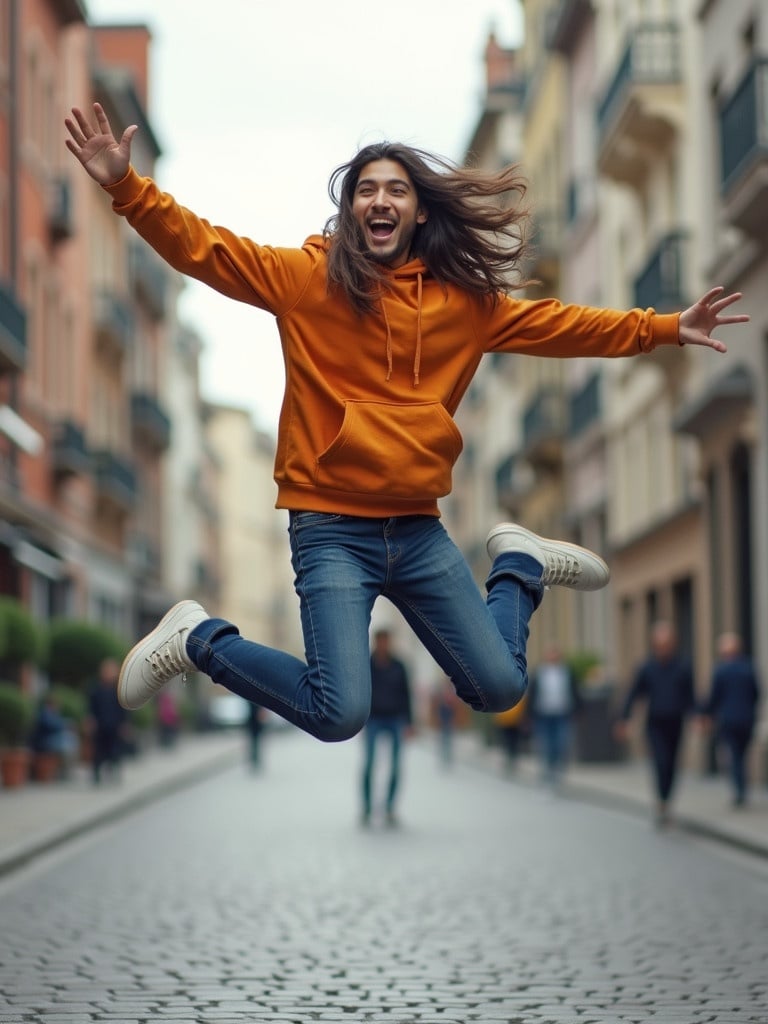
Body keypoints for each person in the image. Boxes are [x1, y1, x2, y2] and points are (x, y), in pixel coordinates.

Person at [64, 103, 748, 753]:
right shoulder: (306, 280)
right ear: (351, 209)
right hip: (330, 527)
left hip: (417, 529)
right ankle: (198, 640)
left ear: (418, 211)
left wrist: (664, 327)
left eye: (396, 189)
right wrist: (126, 185)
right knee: (338, 713)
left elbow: (560, 325)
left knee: (501, 684)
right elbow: (202, 249)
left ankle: (518, 566)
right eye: (366, 190)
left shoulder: (464, 305)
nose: (380, 200)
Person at [615, 621, 696, 826]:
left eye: (667, 643)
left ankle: (666, 800)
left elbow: (690, 696)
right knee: (660, 761)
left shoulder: (683, 667)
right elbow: (634, 694)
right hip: (655, 723)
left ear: (673, 644)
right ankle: (662, 803)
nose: (663, 648)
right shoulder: (647, 667)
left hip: (676, 722)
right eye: (660, 644)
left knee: (671, 764)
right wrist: (624, 720)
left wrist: (698, 716)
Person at [700, 632, 760, 807]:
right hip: (747, 719)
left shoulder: (721, 671)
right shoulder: (748, 668)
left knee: (734, 756)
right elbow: (756, 693)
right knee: (741, 755)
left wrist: (706, 714)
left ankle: (739, 790)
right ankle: (742, 788)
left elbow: (713, 697)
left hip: (728, 720)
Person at [361, 629, 413, 825]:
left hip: (395, 719)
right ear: (376, 642)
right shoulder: (368, 665)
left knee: (396, 766)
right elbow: (361, 693)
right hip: (373, 719)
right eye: (380, 641)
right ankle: (367, 808)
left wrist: (409, 723)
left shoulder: (399, 666)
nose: (383, 644)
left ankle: (390, 808)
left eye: (386, 641)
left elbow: (407, 695)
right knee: (369, 765)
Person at [527, 643, 580, 785]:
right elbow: (532, 695)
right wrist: (528, 716)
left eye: (555, 653)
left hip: (562, 713)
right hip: (543, 714)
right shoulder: (539, 672)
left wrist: (578, 711)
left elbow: (575, 692)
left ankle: (558, 769)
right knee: (545, 744)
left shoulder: (567, 672)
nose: (553, 657)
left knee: (561, 743)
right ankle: (547, 773)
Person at [87, 656, 128, 785]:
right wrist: (89, 720)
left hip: (115, 725)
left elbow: (125, 708)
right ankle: (96, 775)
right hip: (100, 725)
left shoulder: (119, 690)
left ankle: (114, 773)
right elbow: (90, 707)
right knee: (99, 751)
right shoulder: (95, 689)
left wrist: (125, 724)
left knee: (115, 751)